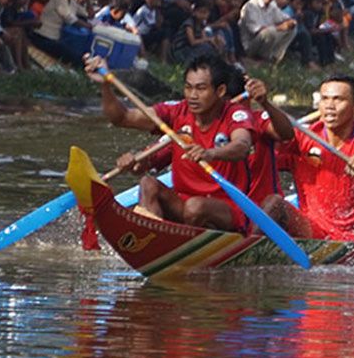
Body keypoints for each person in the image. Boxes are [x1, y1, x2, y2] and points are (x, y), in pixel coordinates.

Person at [87, 55, 262, 232]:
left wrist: (210, 153)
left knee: (195, 207)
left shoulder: (235, 113)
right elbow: (122, 118)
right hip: (183, 204)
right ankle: (149, 236)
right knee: (148, 184)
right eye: (188, 87)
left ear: (220, 91)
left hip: (228, 210)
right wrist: (105, 86)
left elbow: (242, 146)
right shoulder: (177, 111)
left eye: (201, 89)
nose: (193, 96)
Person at [260, 75, 354, 240]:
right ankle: (247, 245)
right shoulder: (303, 136)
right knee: (274, 204)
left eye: (338, 99)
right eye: (324, 99)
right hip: (312, 231)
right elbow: (265, 160)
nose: (329, 105)